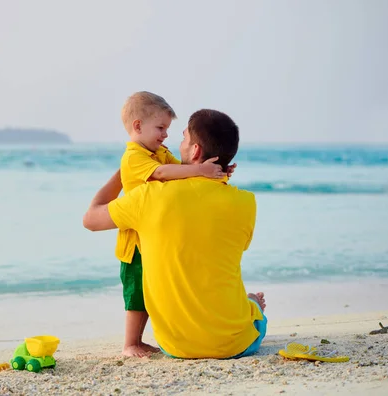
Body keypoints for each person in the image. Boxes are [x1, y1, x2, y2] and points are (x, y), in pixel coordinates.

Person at [83, 109, 267, 359]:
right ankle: (251, 303)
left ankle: (248, 302)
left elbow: (91, 219)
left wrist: (126, 171)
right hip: (237, 345)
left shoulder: (149, 197)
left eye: (183, 139)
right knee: (254, 308)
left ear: (195, 151)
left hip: (175, 347)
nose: (174, 144)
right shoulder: (246, 203)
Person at [115, 91, 228, 357]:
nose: (166, 134)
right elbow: (164, 174)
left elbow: (183, 172)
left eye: (167, 128)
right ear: (138, 126)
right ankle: (130, 343)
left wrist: (214, 171)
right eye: (161, 128)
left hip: (155, 237)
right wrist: (200, 170)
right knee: (136, 293)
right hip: (135, 241)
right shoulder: (134, 157)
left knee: (152, 290)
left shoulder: (160, 152)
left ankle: (144, 339)